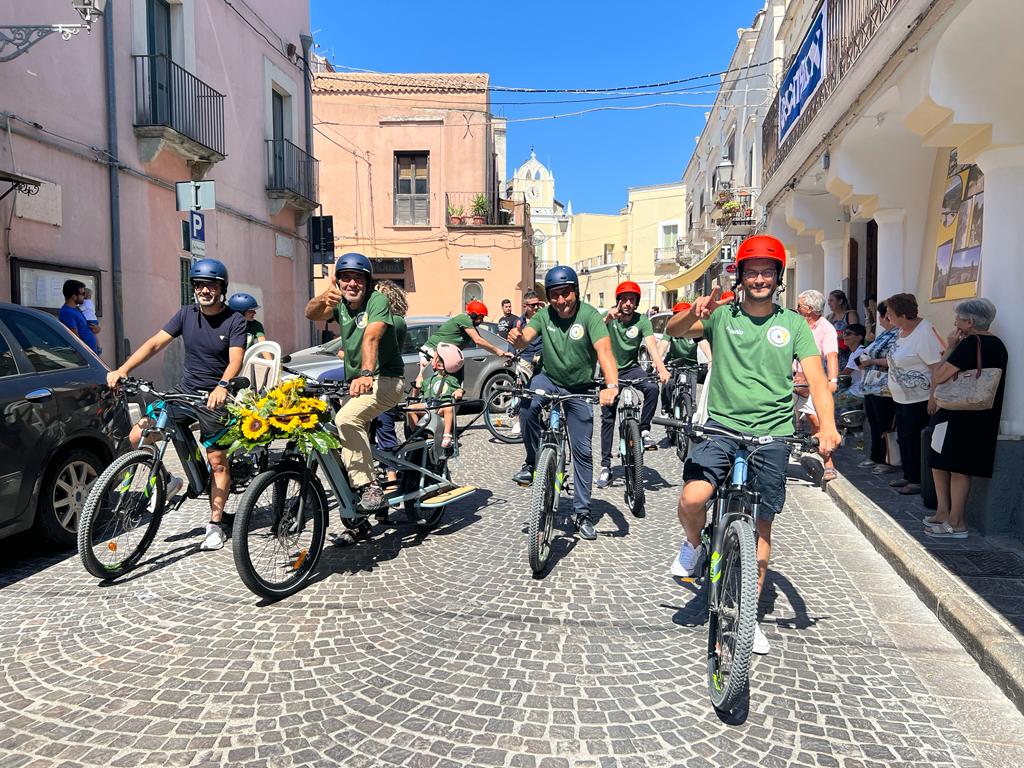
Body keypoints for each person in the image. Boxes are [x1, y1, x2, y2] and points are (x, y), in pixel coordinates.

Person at [665, 234, 840, 655]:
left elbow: (816, 380)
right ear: (740, 276)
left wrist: (827, 427)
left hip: (773, 434)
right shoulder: (723, 316)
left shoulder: (794, 324)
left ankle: (746, 619)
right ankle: (694, 546)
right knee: (693, 498)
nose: (759, 278)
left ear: (778, 277)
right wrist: (694, 311)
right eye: (751, 271)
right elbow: (673, 329)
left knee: (760, 538)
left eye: (766, 272)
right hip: (722, 427)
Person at [106, 259, 246, 551]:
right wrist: (123, 369)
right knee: (137, 435)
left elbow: (235, 359)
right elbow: (155, 343)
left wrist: (222, 386)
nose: (204, 290)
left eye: (211, 285)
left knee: (217, 462)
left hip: (214, 397)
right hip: (184, 392)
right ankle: (168, 481)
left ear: (222, 288)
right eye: (199, 284)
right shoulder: (185, 315)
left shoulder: (235, 320)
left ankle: (215, 524)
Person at [506, 266, 619, 541]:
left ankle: (582, 512)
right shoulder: (544, 315)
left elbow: (604, 351)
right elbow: (527, 336)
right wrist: (519, 339)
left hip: (579, 387)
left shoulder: (589, 315)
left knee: (582, 451)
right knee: (529, 405)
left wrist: (611, 385)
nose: (561, 300)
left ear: (575, 292)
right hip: (549, 379)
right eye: (555, 295)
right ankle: (533, 461)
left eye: (566, 293)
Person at [304, 252, 406, 537]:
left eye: (358, 278)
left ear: (367, 281)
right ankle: (357, 515)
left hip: (385, 379)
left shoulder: (377, 300)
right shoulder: (341, 304)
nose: (352, 283)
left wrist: (365, 373)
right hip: (358, 384)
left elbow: (372, 336)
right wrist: (324, 296)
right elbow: (311, 314)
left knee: (347, 419)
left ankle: (371, 487)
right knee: (333, 438)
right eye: (345, 278)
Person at [924, 299, 1007, 538]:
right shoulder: (997, 345)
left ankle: (956, 522)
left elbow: (939, 375)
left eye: (959, 318)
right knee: (941, 462)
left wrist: (950, 347)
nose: (954, 322)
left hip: (957, 413)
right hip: (978, 414)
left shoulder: (970, 343)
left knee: (955, 466)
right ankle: (944, 514)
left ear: (970, 322)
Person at [596, 281, 670, 488]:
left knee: (652, 388)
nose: (628, 303)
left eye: (632, 299)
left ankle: (644, 430)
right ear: (618, 301)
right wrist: (607, 319)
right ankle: (605, 466)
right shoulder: (610, 318)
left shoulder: (642, 321)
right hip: (609, 369)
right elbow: (594, 332)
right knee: (608, 416)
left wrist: (661, 368)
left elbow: (652, 348)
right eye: (624, 299)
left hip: (631, 367)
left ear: (636, 302)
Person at [884, 292, 944, 496]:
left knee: (914, 439)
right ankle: (908, 474)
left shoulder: (924, 333)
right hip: (901, 398)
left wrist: (933, 397)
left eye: (890, 313)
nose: (886, 316)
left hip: (919, 399)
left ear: (903, 315)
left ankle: (918, 480)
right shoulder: (901, 332)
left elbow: (937, 367)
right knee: (904, 438)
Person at [369, 280, 409, 511]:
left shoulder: (396, 321)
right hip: (370, 381)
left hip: (384, 381)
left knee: (385, 428)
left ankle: (391, 474)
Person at [794, 290, 841, 482]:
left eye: (800, 306)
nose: (796, 308)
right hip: (788, 378)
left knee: (817, 420)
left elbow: (831, 356)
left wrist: (832, 381)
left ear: (810, 309)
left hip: (812, 381)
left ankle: (828, 463)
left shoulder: (826, 328)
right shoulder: (795, 323)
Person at [414, 300, 509, 390]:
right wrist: (498, 351)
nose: (482, 321)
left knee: (441, 383)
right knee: (425, 380)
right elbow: (478, 340)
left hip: (443, 355)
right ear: (474, 315)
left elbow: (482, 341)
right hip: (432, 350)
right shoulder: (464, 319)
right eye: (481, 317)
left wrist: (502, 352)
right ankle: (414, 403)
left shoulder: (469, 326)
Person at [856, 301, 900, 471]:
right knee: (874, 422)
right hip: (871, 384)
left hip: (884, 386)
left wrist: (872, 361)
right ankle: (875, 456)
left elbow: (893, 360)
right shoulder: (883, 333)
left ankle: (887, 460)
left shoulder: (896, 335)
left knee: (884, 423)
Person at [407, 342, 465, 449]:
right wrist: (417, 384)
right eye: (437, 361)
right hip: (429, 405)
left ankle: (447, 435)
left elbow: (459, 389)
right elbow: (419, 387)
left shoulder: (451, 379)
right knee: (410, 408)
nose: (438, 363)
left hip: (441, 406)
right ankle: (416, 433)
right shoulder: (430, 379)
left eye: (441, 362)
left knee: (448, 407)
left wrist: (459, 392)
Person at [58, 279, 99, 354]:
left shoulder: (76, 309)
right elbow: (74, 337)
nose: (85, 296)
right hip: (85, 356)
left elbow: (84, 327)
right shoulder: (67, 312)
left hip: (91, 354)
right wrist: (87, 353)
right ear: (74, 297)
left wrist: (97, 329)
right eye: (83, 294)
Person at [838, 323, 867, 409]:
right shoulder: (854, 352)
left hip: (857, 392)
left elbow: (845, 374)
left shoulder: (859, 352)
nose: (844, 336)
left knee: (827, 402)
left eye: (848, 333)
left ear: (859, 338)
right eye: (844, 333)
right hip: (855, 390)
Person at [81, 287, 102, 354]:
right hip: (94, 319)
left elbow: (81, 309)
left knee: (89, 334)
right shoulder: (91, 303)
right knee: (94, 334)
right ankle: (98, 347)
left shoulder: (84, 302)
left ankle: (95, 348)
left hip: (88, 320)